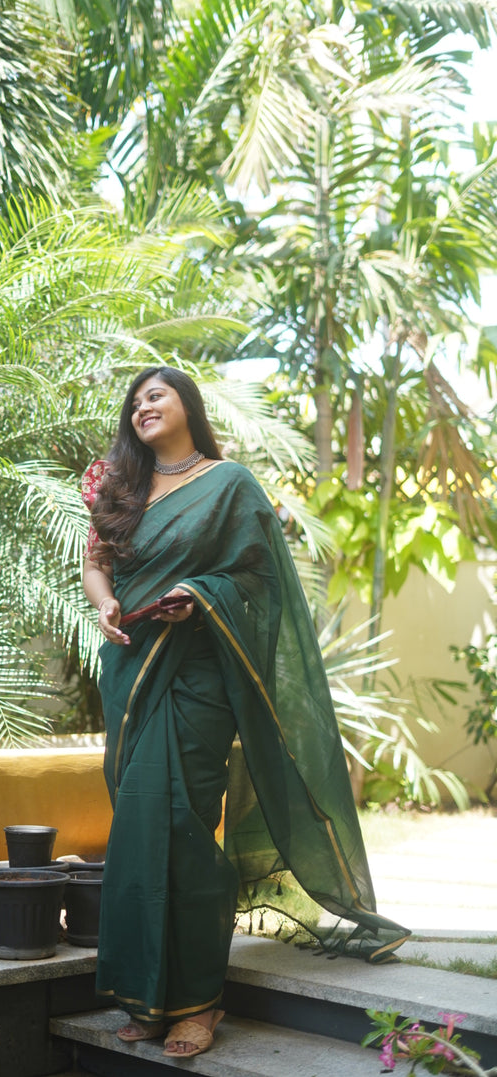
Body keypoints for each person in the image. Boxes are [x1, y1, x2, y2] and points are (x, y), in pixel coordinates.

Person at [81, 366, 409, 1060]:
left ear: (188, 406)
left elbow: (262, 580)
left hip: (197, 675)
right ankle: (147, 995)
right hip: (131, 668)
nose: (142, 406)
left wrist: (201, 593)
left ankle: (199, 1001)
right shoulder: (123, 488)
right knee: (138, 826)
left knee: (184, 823)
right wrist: (105, 602)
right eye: (135, 401)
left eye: (156, 395)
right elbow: (97, 562)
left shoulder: (229, 484)